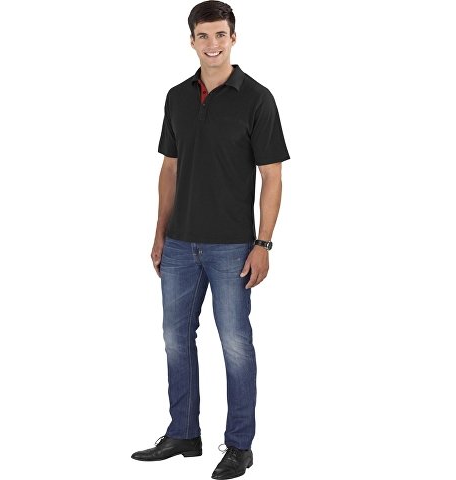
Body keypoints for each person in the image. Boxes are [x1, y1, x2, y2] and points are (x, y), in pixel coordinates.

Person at [131, 1, 290, 478]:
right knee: (175, 339)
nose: (213, 44)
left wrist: (263, 244)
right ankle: (183, 433)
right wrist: (160, 233)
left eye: (221, 34)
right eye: (204, 36)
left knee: (236, 343)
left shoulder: (257, 98)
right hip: (180, 245)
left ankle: (239, 445)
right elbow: (170, 169)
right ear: (192, 41)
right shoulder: (177, 97)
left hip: (232, 248)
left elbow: (272, 177)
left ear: (233, 38)